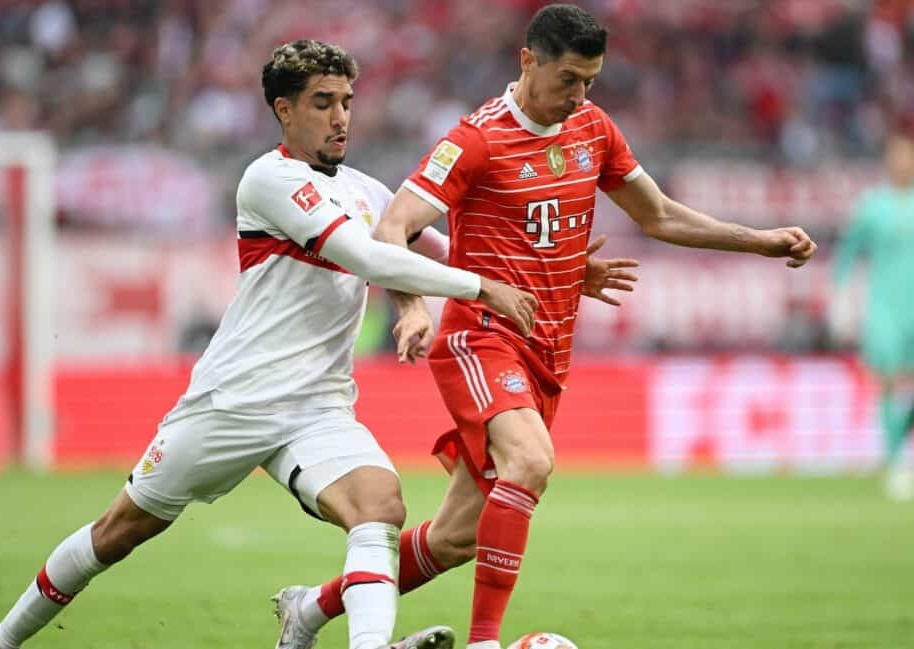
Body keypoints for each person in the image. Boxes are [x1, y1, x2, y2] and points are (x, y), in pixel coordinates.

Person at [276, 6, 818, 649]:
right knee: (531, 461)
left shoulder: (593, 128)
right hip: (480, 338)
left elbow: (660, 216)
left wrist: (760, 241)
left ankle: (309, 609)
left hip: (547, 355)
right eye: (568, 79)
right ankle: (485, 641)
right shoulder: (476, 139)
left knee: (456, 539)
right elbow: (394, 225)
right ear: (528, 61)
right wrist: (412, 307)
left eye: (590, 80)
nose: (579, 95)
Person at [0, 39, 542, 649]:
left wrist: (540, 273)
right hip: (233, 400)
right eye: (322, 103)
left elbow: (434, 253)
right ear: (284, 110)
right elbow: (367, 256)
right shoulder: (269, 179)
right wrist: (480, 288)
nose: (340, 117)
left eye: (347, 101)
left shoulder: (367, 190)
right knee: (119, 531)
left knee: (379, 505)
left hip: (317, 405)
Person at [834, 132, 914, 501]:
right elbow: (848, 252)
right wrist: (840, 297)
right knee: (889, 382)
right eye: (898, 156)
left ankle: (899, 451)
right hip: (885, 307)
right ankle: (895, 462)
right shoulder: (872, 206)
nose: (903, 163)